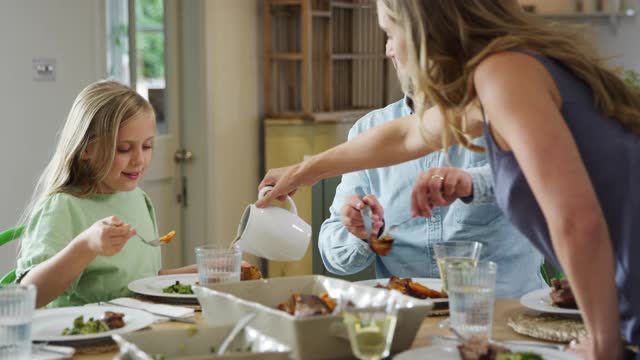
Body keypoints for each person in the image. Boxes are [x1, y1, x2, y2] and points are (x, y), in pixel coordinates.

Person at [257, 1, 640, 358]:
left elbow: (577, 222)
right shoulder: (500, 77)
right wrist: (303, 171)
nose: (389, 49)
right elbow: (405, 136)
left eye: (390, 33)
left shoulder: (504, 73)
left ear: (423, 30)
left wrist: (605, 345)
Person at [319, 95, 545, 298]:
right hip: (407, 317)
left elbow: (538, 179)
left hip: (504, 310)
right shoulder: (367, 130)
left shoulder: (502, 115)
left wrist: (471, 182)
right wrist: (360, 234)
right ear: (391, 51)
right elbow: (334, 258)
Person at [16, 80, 195, 308]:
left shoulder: (138, 199)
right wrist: (85, 246)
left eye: (147, 146)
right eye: (123, 149)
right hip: (77, 337)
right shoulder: (63, 207)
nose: (139, 160)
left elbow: (133, 283)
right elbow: (28, 297)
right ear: (86, 149)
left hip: (135, 329)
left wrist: (197, 275)